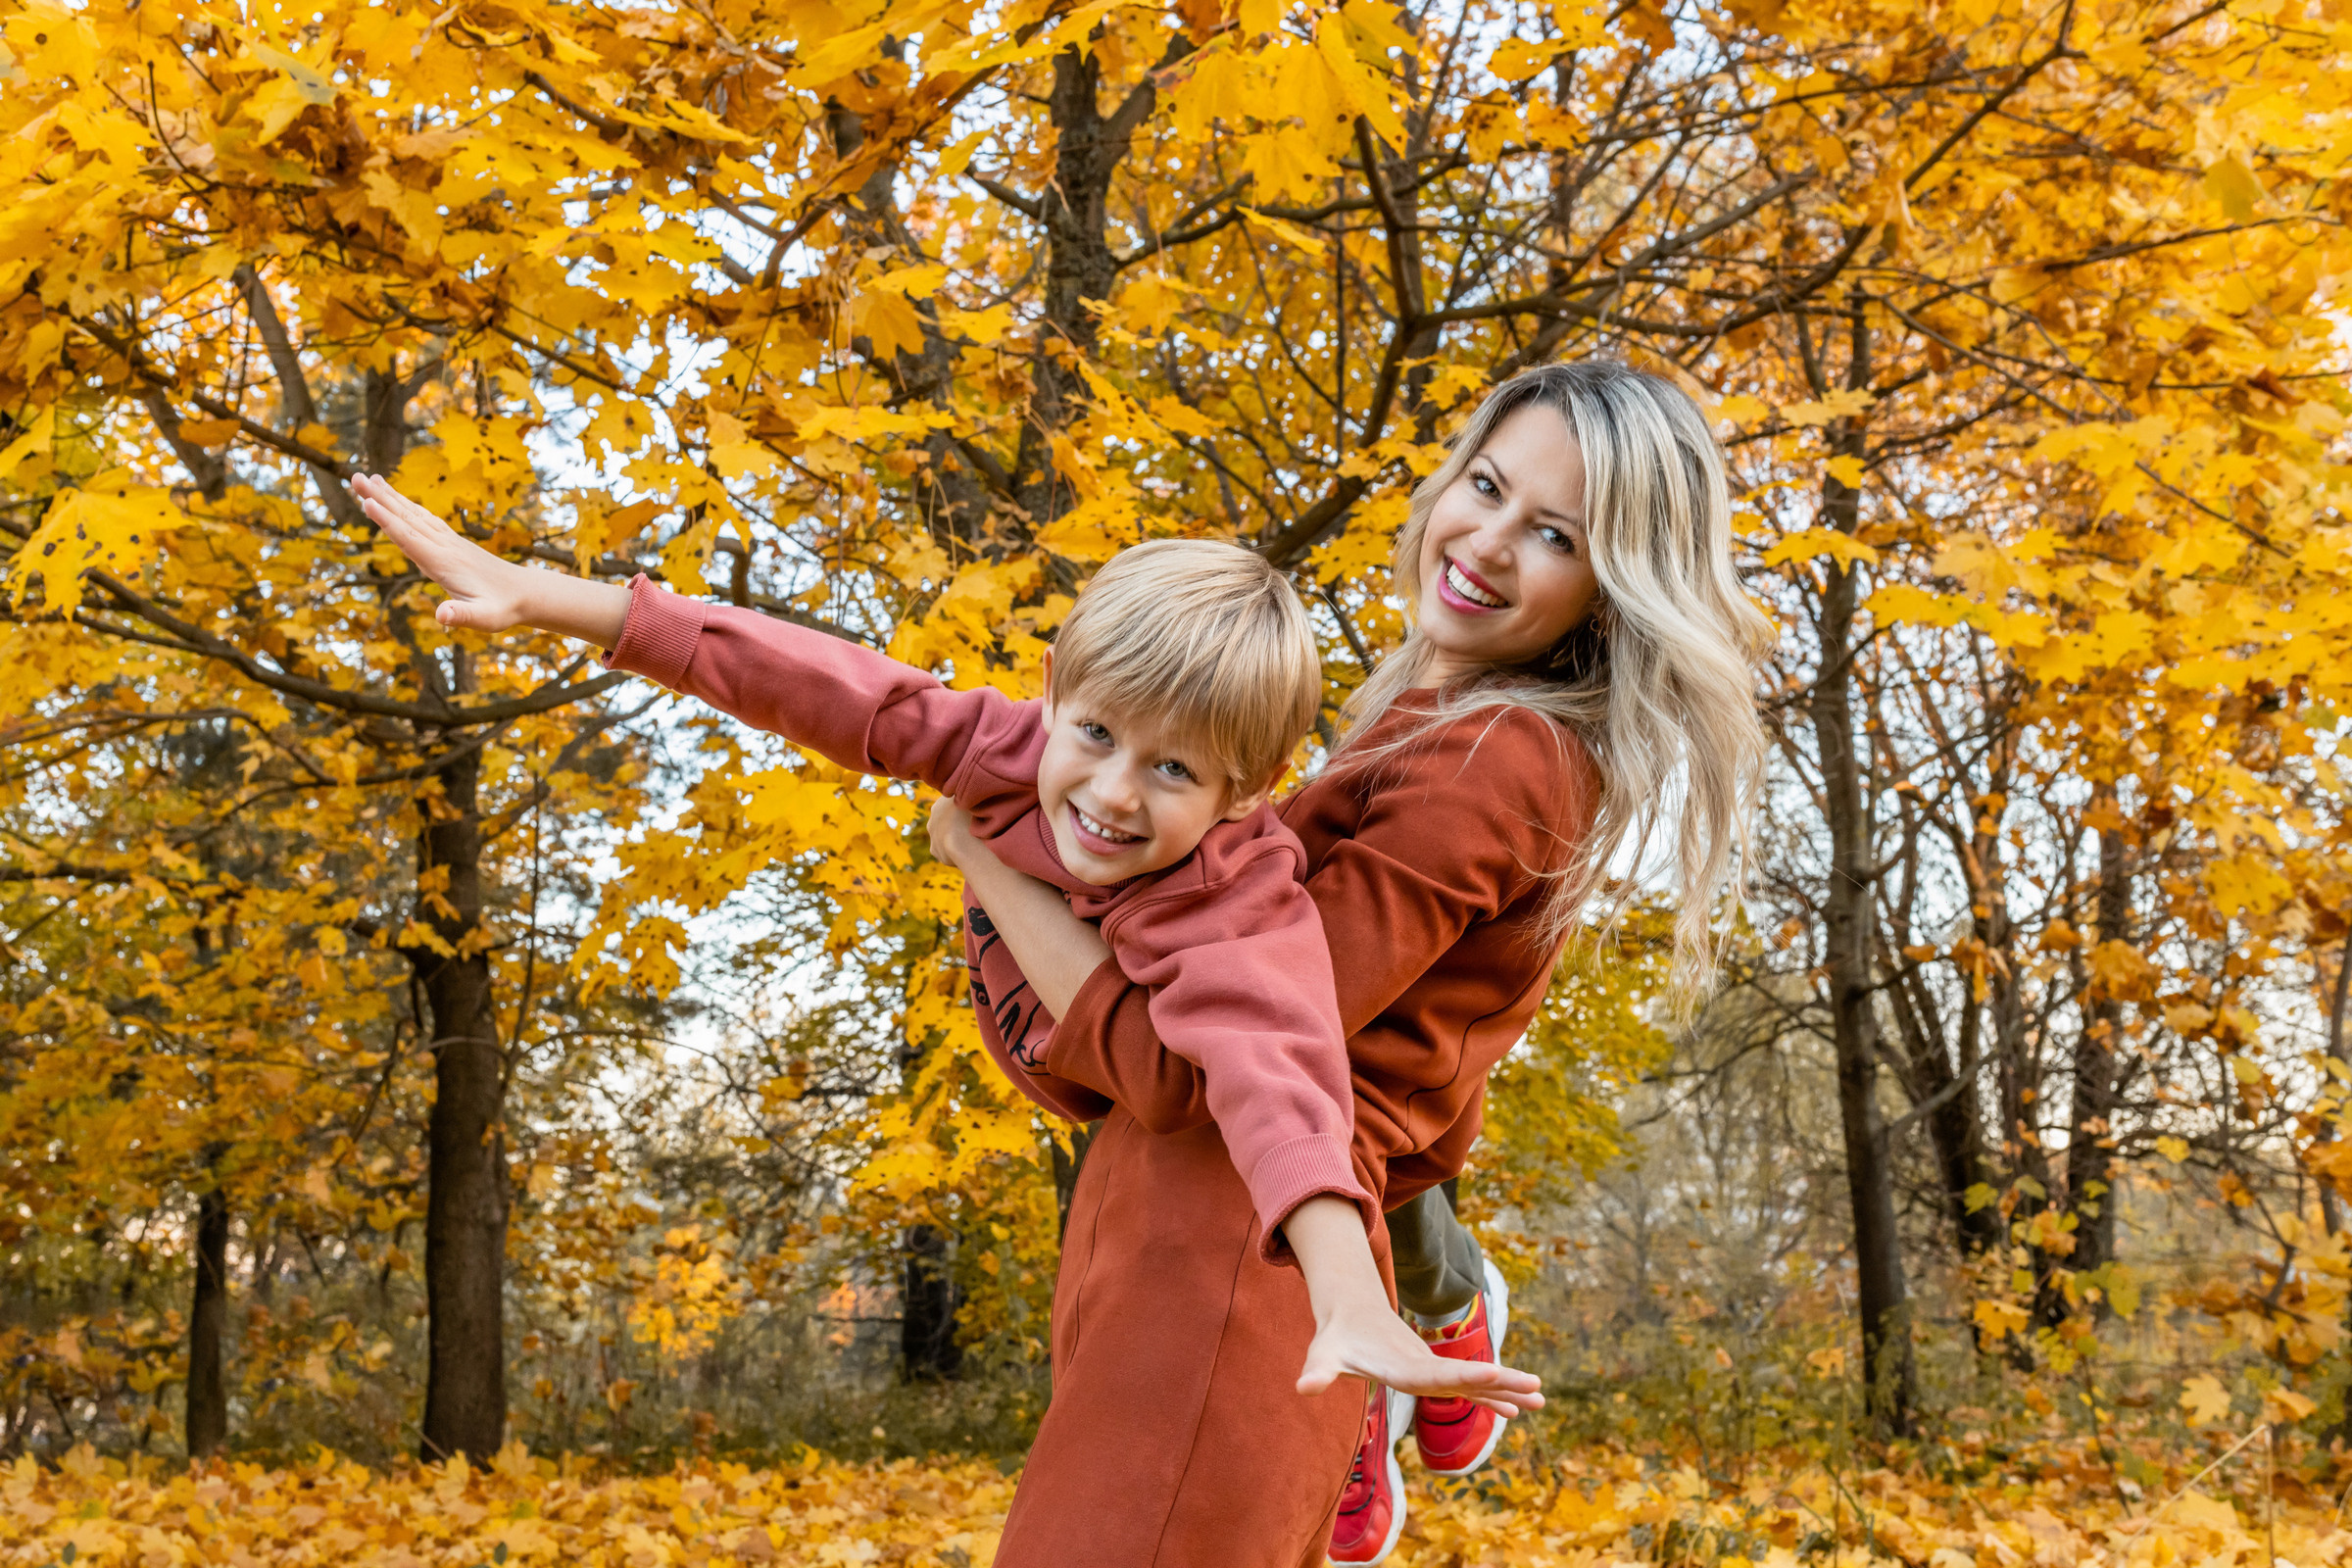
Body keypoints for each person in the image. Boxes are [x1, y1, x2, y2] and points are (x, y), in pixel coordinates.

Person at [348, 480, 1544, 1422]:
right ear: (1053, 691)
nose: (1113, 798)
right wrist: (554, 599)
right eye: (1098, 735)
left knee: (1269, 1136)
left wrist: (1342, 1295)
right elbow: (816, 681)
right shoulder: (1011, 747)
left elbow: (1278, 1085)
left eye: (1173, 771)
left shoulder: (1237, 909)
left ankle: (1397, 1349)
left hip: (1177, 1079)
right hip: (1068, 1041)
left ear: (1244, 796)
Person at [931, 359, 1775, 1565]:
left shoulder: (1497, 757)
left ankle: (1408, 1329)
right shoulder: (1431, 712)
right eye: (1485, 485)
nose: (1484, 541)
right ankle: (1413, 1325)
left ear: (1610, 589)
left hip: (1232, 1236)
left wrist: (986, 855)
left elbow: (1207, 1049)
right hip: (1198, 1223)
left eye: (1553, 535)